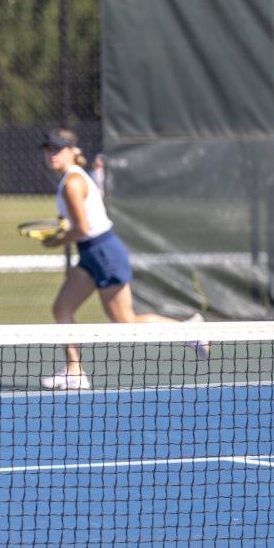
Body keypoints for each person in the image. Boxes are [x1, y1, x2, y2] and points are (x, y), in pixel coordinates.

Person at [38, 129, 209, 390]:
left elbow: (82, 229)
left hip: (103, 253)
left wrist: (55, 241)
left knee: (125, 321)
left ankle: (189, 331)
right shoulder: (70, 181)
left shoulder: (72, 183)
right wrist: (63, 232)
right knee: (62, 309)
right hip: (91, 254)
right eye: (48, 149)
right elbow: (79, 226)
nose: (51, 154)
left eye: (57, 149)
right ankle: (75, 371)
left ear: (73, 151)